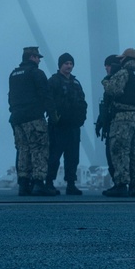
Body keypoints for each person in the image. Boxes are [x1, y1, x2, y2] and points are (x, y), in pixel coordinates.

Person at [102, 46, 135, 198]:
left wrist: (106, 81)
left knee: (120, 150)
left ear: (126, 59)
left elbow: (114, 90)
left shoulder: (124, 73)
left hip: (123, 117)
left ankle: (121, 184)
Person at [8, 46, 55, 196]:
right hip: (34, 118)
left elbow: (10, 97)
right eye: (37, 57)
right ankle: (38, 183)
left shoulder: (14, 74)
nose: (39, 60)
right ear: (32, 57)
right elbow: (45, 94)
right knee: (39, 149)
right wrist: (52, 113)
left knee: (23, 150)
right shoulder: (36, 73)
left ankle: (23, 184)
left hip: (17, 119)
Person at [45, 53, 87, 196]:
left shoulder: (76, 83)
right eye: (66, 63)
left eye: (71, 63)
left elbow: (82, 102)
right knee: (54, 156)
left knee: (73, 157)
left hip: (73, 126)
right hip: (58, 126)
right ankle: (49, 183)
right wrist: (54, 118)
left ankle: (71, 184)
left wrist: (82, 118)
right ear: (60, 65)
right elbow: (48, 101)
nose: (69, 66)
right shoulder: (53, 81)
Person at [94, 55, 122, 182]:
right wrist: (100, 121)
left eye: (108, 65)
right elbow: (106, 105)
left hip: (117, 125)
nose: (106, 68)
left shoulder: (117, 81)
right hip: (111, 123)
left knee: (115, 154)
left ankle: (120, 183)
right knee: (112, 154)